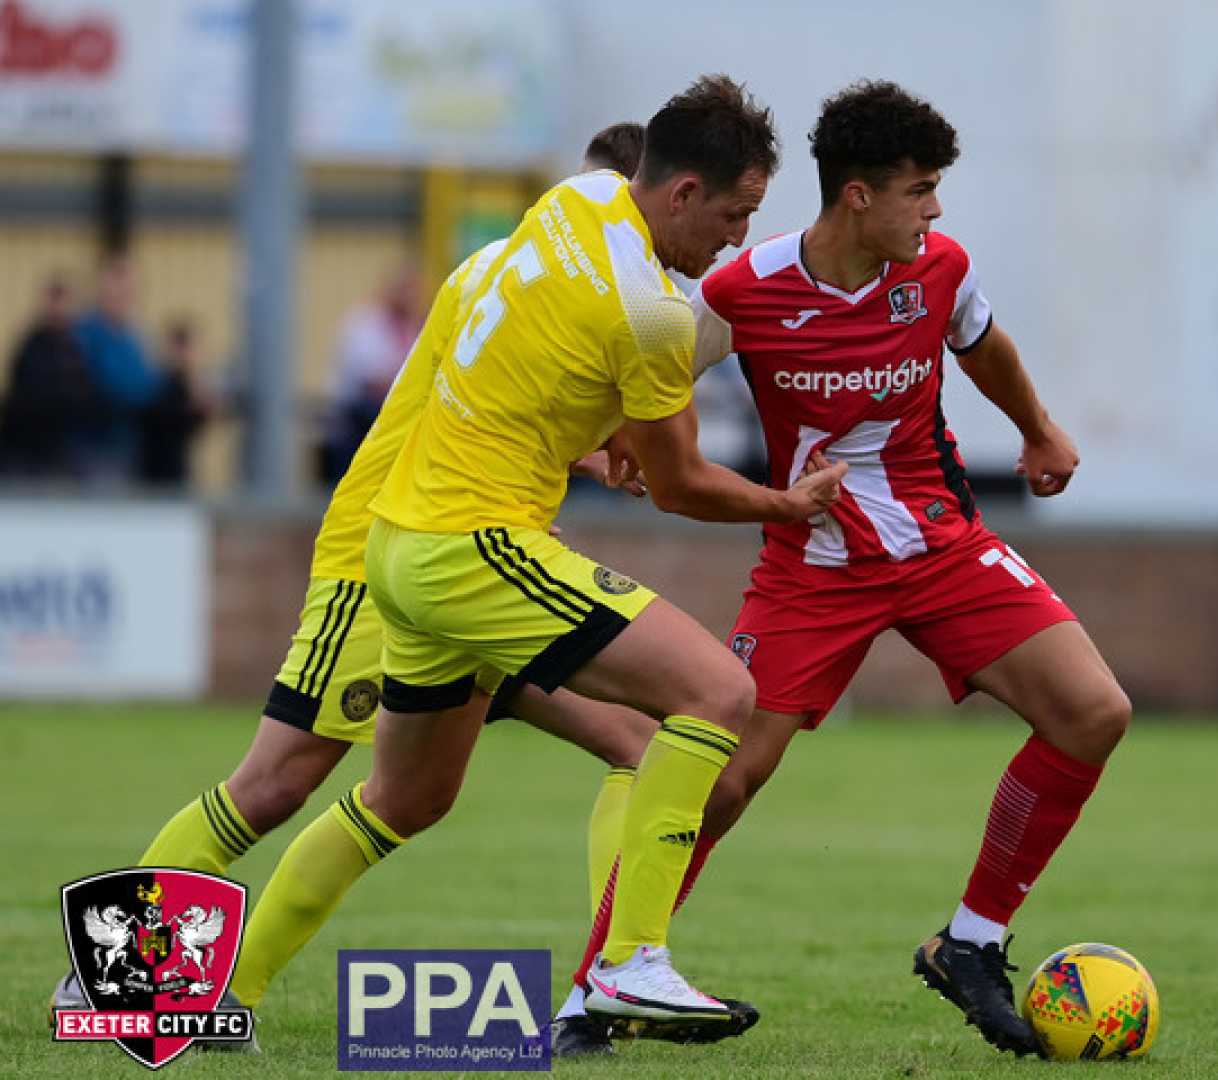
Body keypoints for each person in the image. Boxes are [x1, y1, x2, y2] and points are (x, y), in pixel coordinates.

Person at [231, 73, 844, 1043]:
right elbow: (681, 483)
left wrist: (601, 434)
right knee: (719, 694)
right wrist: (786, 503)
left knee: (406, 799)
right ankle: (630, 964)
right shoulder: (649, 308)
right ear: (681, 191)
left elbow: (549, 361)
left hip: (402, 546)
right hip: (475, 546)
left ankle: (231, 999)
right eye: (734, 214)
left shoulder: (577, 200)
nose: (732, 238)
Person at [563, 80, 1131, 1058]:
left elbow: (982, 345)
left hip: (942, 546)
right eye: (921, 189)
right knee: (724, 778)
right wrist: (613, 440)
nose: (937, 210)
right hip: (810, 569)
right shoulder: (746, 289)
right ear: (858, 197)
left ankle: (973, 945)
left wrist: (1038, 430)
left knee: (1094, 711)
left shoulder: (940, 270)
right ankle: (595, 990)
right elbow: (663, 371)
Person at [318, 264, 422, 483]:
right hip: (357, 421)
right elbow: (374, 382)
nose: (411, 298)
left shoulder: (413, 326)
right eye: (405, 291)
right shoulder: (365, 323)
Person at [70, 256, 161, 483]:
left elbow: (148, 381)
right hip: (96, 448)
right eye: (117, 289)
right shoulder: (86, 334)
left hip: (129, 444)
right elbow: (116, 386)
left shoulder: (134, 335)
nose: (123, 296)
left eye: (129, 289)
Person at [0, 275, 98, 480]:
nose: (58, 308)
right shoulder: (31, 345)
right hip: (26, 449)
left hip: (61, 448)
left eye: (63, 301)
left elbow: (84, 393)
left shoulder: (75, 348)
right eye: (54, 300)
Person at [136, 317, 213, 488]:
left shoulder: (182, 382)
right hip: (157, 473)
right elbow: (170, 421)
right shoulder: (159, 382)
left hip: (174, 470)